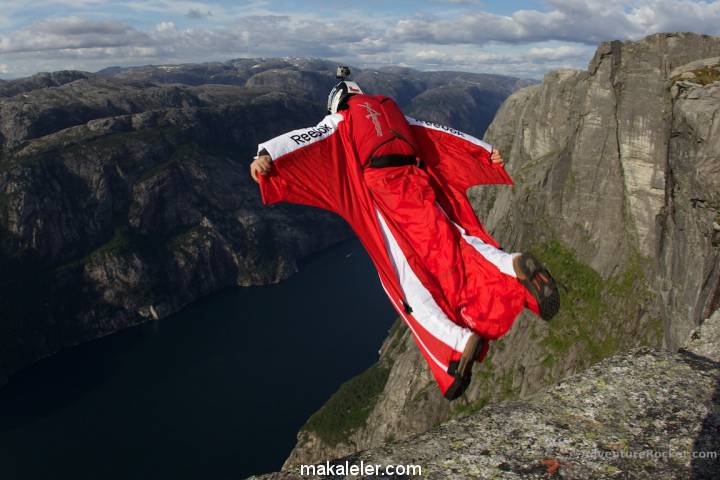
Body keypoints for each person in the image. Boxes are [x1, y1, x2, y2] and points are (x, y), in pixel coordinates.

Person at [250, 69, 559, 399]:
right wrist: (482, 151)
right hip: (416, 181)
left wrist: (266, 156)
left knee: (402, 278)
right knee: (456, 241)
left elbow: (308, 138)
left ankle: (455, 346)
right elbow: (439, 133)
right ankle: (511, 266)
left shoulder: (342, 119)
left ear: (337, 102)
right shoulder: (392, 110)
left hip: (383, 192)